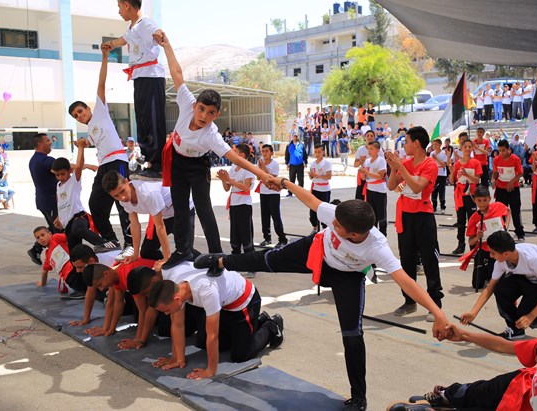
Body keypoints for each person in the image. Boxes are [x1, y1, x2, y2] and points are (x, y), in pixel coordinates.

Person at [193, 176, 452, 411]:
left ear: (354, 234)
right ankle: (220, 261)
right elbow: (312, 200)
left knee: (353, 335)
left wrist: (437, 312)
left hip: (346, 276)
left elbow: (407, 281)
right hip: (316, 250)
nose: (331, 223)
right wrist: (284, 182)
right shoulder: (336, 216)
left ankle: (358, 397)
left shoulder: (377, 247)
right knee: (266, 260)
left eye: (337, 225)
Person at [157, 31, 274, 269]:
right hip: (178, 163)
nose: (203, 116)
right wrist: (167, 45)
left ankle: (216, 258)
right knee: (179, 209)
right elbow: (177, 73)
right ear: (195, 106)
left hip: (197, 167)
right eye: (201, 109)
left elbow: (235, 158)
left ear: (217, 115)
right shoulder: (187, 102)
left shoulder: (211, 135)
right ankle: (181, 251)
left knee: (204, 209)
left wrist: (262, 174)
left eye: (210, 113)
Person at [148, 262, 284, 380]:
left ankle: (271, 326)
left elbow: (213, 336)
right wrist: (178, 359)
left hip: (244, 303)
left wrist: (210, 371)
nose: (166, 313)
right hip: (223, 305)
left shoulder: (207, 291)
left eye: (165, 309)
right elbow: (177, 325)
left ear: (177, 299)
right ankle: (256, 322)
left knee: (240, 354)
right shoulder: (175, 284)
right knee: (203, 342)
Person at [395, 329, 537, 411]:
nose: (535, 363)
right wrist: (463, 335)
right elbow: (504, 346)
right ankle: (447, 395)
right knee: (469, 393)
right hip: (516, 384)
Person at [69, 46, 134, 259]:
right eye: (75, 116)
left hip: (117, 160)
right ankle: (110, 239)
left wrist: (105, 58)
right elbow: (93, 140)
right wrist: (83, 143)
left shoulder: (100, 110)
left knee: (122, 200)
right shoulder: (90, 129)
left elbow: (101, 83)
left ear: (87, 108)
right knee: (95, 202)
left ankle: (130, 243)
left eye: (80, 111)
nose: (78, 116)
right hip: (104, 165)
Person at [101, 0, 165, 180]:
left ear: (127, 5)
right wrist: (111, 44)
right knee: (143, 119)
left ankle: (159, 164)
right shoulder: (133, 27)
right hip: (140, 77)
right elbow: (124, 40)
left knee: (153, 120)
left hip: (151, 77)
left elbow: (157, 31)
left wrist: (160, 35)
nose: (119, 11)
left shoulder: (145, 23)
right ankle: (150, 161)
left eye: (119, 6)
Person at [386, 126, 444, 320]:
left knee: (429, 260)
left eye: (407, 142)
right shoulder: (407, 163)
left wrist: (401, 167)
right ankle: (410, 301)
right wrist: (394, 168)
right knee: (407, 260)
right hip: (405, 217)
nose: (405, 146)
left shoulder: (430, 164)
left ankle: (435, 302)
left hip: (423, 216)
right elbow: (391, 185)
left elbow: (418, 186)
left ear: (416, 143)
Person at [460, 231, 537, 339]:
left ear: (506, 254)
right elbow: (490, 288)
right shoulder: (501, 262)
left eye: (493, 253)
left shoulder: (531, 259)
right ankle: (516, 328)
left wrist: (531, 316)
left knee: (525, 314)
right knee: (500, 289)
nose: (490, 256)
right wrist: (473, 313)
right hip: (525, 275)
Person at [102, 171, 172, 266]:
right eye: (116, 196)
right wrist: (135, 254)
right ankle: (164, 271)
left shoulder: (147, 193)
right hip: (163, 214)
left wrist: (167, 257)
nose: (122, 197)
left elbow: (160, 226)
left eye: (122, 191)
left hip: (182, 210)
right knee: (147, 252)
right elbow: (134, 224)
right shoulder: (123, 201)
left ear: (127, 181)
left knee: (184, 251)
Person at [51, 139, 109, 253]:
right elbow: (61, 203)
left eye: (63, 174)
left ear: (69, 171)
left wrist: (81, 148)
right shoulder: (58, 186)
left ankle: (104, 243)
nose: (60, 177)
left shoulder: (74, 181)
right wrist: (59, 217)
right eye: (57, 175)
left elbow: (79, 166)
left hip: (79, 217)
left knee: (77, 228)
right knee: (74, 253)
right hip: (67, 224)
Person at [82, 262, 155, 338]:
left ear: (106, 274)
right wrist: (109, 329)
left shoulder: (128, 275)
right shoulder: (114, 276)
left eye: (100, 285)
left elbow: (143, 309)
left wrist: (138, 339)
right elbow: (117, 303)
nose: (101, 289)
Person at [463, 186, 508, 288]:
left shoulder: (498, 206)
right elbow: (470, 242)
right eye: (479, 200)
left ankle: (494, 274)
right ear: (474, 200)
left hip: (499, 250)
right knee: (477, 285)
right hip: (484, 251)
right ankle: (488, 274)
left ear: (490, 199)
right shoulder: (474, 218)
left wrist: (506, 225)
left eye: (485, 200)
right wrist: (477, 237)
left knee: (500, 283)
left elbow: (508, 211)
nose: (482, 203)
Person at [217, 144, 256, 255]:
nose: (232, 154)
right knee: (235, 232)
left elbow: (245, 187)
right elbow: (227, 188)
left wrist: (230, 180)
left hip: (244, 203)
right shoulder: (233, 167)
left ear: (242, 155)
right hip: (234, 203)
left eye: (235, 152)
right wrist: (224, 180)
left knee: (245, 231)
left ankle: (250, 260)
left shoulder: (248, 167)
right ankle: (236, 256)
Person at [28, 133, 59, 264]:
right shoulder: (46, 161)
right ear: (40, 144)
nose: (50, 142)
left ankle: (36, 249)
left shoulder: (33, 160)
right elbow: (65, 167)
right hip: (50, 201)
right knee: (57, 231)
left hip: (44, 201)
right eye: (47, 141)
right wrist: (86, 166)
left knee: (54, 228)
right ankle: (56, 257)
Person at [33, 226, 85, 298]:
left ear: (50, 234)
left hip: (75, 268)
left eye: (43, 235)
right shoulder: (48, 255)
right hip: (68, 278)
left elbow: (71, 237)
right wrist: (43, 283)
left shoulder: (55, 238)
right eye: (38, 238)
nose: (41, 238)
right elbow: (44, 271)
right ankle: (83, 291)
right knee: (77, 285)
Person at [450, 139, 482, 255]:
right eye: (465, 147)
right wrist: (451, 171)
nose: (468, 149)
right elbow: (452, 180)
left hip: (471, 195)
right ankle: (460, 245)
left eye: (470, 147)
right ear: (462, 149)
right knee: (461, 221)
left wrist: (467, 175)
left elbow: (477, 179)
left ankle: (473, 246)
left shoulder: (475, 163)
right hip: (460, 195)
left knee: (472, 221)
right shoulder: (457, 163)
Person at [492, 139, 525, 242]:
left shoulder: (515, 159)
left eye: (503, 150)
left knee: (515, 211)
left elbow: (520, 173)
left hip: (513, 188)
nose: (501, 153)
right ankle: (501, 231)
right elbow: (495, 173)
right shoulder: (496, 160)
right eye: (500, 150)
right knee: (500, 211)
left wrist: (512, 181)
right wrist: (494, 179)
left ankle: (519, 233)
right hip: (501, 189)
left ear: (509, 150)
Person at [257, 144, 287, 247]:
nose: (264, 153)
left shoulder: (274, 164)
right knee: (264, 216)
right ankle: (267, 238)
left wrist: (263, 168)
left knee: (275, 216)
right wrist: (259, 169)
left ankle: (282, 238)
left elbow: (271, 178)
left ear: (271, 153)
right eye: (263, 151)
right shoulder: (260, 163)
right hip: (263, 192)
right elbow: (258, 177)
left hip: (273, 193)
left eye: (266, 151)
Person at [359, 141, 387, 236]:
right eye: (368, 149)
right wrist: (362, 171)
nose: (369, 151)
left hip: (379, 190)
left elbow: (380, 176)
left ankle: (383, 233)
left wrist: (366, 173)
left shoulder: (381, 160)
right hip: (370, 189)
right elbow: (363, 178)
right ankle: (373, 233)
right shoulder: (367, 161)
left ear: (377, 150)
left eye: (371, 149)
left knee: (381, 214)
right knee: (372, 213)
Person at [308, 144, 332, 233]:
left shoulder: (326, 163)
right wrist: (311, 176)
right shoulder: (313, 163)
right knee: (313, 211)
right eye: (316, 152)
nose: (317, 154)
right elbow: (311, 177)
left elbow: (329, 176)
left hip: (324, 189)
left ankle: (325, 229)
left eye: (319, 152)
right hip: (315, 188)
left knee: (324, 210)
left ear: (323, 152)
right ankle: (315, 226)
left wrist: (318, 175)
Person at [430, 139, 448, 215]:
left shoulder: (443, 153)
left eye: (436, 144)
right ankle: (434, 206)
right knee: (434, 190)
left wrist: (436, 159)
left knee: (441, 190)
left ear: (440, 145)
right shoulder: (432, 153)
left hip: (441, 173)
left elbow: (444, 164)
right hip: (434, 173)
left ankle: (442, 206)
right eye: (433, 144)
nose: (435, 146)